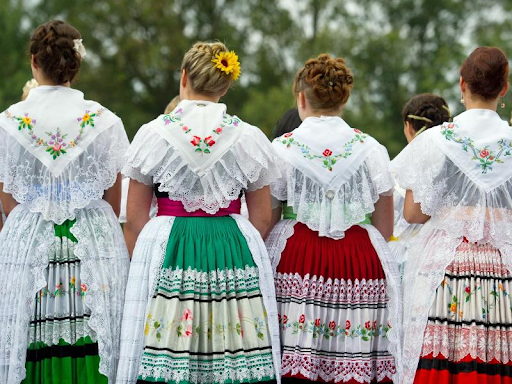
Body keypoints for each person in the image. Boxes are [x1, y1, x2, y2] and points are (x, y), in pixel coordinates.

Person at [117, 42, 282, 384]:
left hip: (168, 246)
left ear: (184, 77)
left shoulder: (153, 133)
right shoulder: (248, 137)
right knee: (234, 348)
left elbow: (133, 218)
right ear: (225, 85)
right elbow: (263, 216)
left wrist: (143, 267)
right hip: (232, 245)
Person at [0, 20, 130, 383]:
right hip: (92, 241)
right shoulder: (105, 121)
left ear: (33, 61)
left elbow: (7, 201)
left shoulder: (8, 122)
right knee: (97, 332)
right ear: (76, 63)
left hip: (28, 241)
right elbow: (112, 193)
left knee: (24, 334)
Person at [265, 54, 401, 383]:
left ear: (301, 97)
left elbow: (267, 219)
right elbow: (384, 227)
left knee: (297, 359)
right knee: (351, 363)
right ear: (344, 98)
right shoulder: (371, 149)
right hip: (359, 261)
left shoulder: (282, 148)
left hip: (297, 258)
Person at [392, 46, 512, 383]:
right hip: (503, 271)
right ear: (503, 88)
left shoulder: (436, 140)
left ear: (462, 85)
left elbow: (414, 214)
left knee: (441, 364)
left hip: (446, 269)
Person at [390, 94, 450, 276]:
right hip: (447, 256)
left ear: (408, 126)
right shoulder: (456, 162)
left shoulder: (396, 168)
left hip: (405, 257)